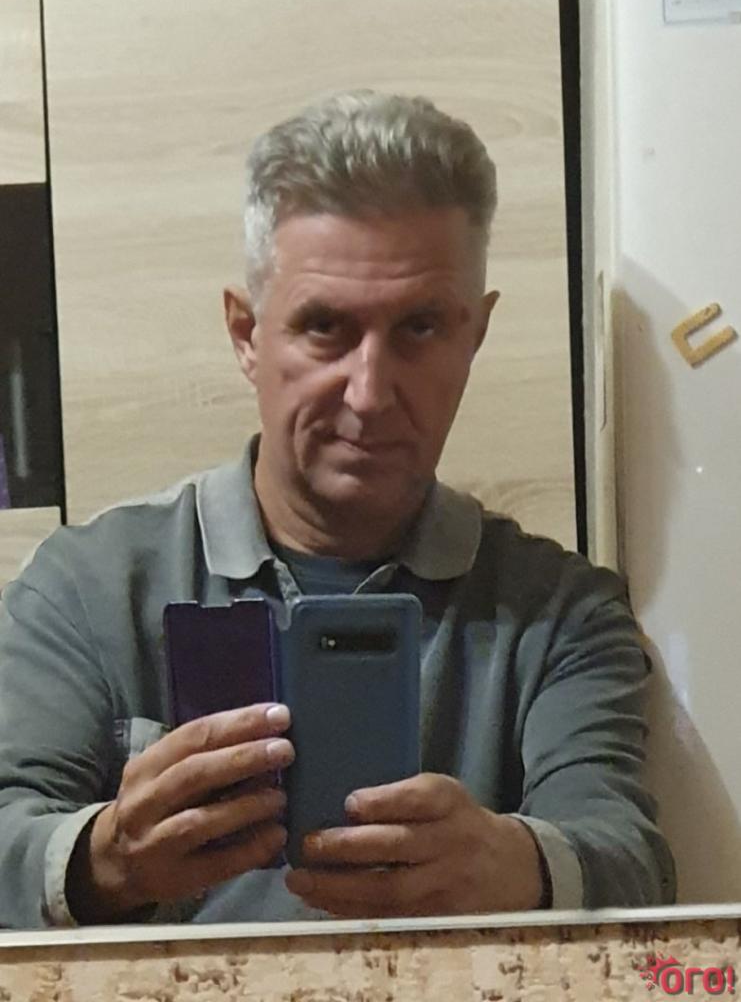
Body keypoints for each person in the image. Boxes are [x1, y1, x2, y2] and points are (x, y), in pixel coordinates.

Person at [0, 90, 675, 928]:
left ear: (474, 335)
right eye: (325, 327)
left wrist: (517, 866)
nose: (369, 393)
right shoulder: (86, 585)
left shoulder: (563, 613)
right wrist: (101, 860)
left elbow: (630, 858)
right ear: (246, 335)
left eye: (420, 327)